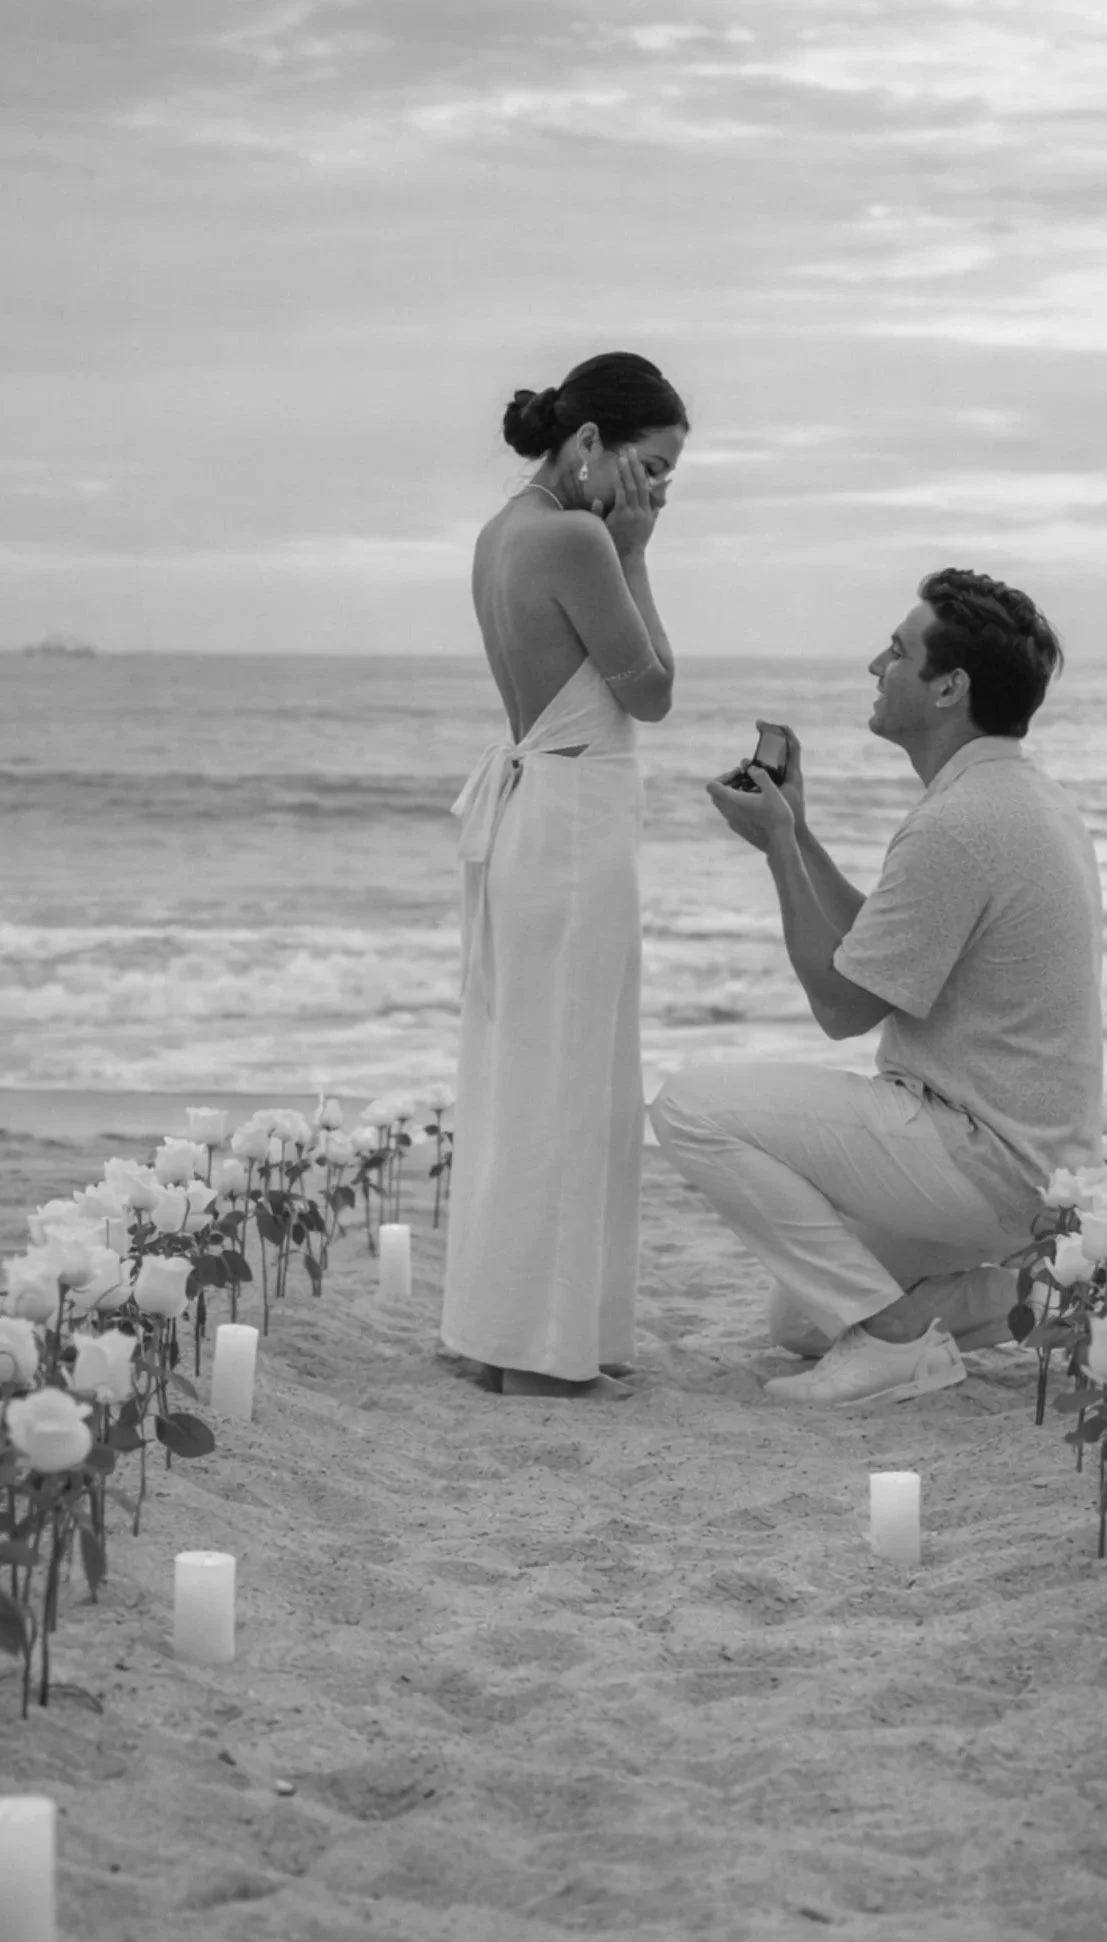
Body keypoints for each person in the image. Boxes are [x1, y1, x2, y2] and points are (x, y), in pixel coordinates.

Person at [647, 569, 1103, 1408]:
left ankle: (892, 1340)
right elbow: (883, 956)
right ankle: (1019, 1298)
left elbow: (842, 1007)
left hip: (980, 1155)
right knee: (801, 1318)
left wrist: (779, 850)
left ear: (947, 687)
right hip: (1033, 1167)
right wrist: (801, 834)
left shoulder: (957, 823)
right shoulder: (1013, 795)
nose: (874, 664)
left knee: (686, 1105)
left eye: (896, 651)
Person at [440, 352, 689, 1395]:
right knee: (573, 1080)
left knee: (523, 1075)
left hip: (535, 817)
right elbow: (652, 689)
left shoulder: (501, 531)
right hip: (573, 825)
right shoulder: (579, 536)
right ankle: (544, 1355)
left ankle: (500, 1334)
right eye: (652, 467)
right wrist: (635, 554)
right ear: (589, 443)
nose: (658, 494)